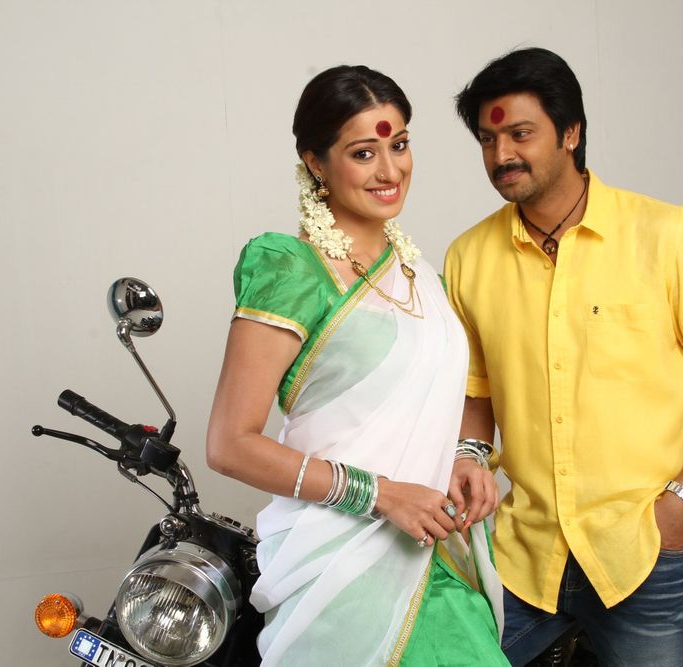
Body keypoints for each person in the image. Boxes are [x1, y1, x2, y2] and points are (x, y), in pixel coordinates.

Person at [444, 48, 683, 666]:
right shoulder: (468, 257)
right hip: (525, 552)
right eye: (487, 139)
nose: (501, 154)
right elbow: (477, 391)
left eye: (520, 134)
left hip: (642, 549)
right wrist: (469, 456)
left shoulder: (669, 235)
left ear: (571, 132)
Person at [205, 65, 508, 666]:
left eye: (399, 145)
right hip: (339, 571)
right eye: (363, 153)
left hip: (433, 552)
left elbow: (421, 414)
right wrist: (382, 495)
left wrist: (462, 458)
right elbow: (229, 445)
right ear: (316, 163)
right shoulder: (291, 270)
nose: (390, 170)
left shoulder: (422, 279)